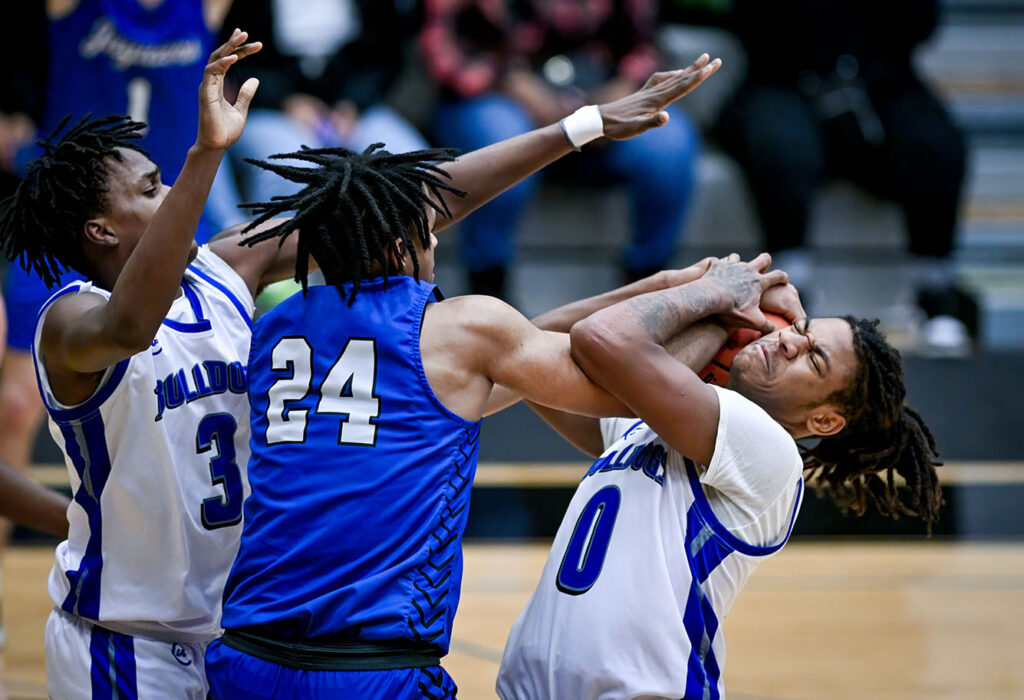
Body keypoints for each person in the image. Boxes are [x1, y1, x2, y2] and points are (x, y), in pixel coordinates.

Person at [204, 57, 723, 699]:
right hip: (373, 672)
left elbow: (504, 358)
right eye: (429, 231)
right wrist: (713, 307)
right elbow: (624, 391)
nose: (439, 243)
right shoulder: (460, 331)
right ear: (400, 247)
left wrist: (662, 287)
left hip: (245, 659)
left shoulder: (277, 325)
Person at [495, 256, 942, 699]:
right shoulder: (648, 422)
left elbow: (603, 338)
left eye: (814, 358)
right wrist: (680, 281)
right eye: (800, 331)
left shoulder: (768, 449)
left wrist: (717, 299)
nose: (788, 342)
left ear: (824, 422)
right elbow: (528, 347)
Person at [0, 29, 264, 698]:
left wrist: (573, 126)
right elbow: (130, 325)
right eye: (151, 188)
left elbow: (382, 208)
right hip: (123, 647)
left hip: (231, 635)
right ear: (101, 231)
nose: (170, 190)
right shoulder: (67, 321)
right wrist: (207, 154)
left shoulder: (219, 276)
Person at [716, 0, 974, 355]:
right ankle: (791, 288)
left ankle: (935, 287)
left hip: (880, 78)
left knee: (934, 144)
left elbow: (921, 23)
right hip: (781, 75)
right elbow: (749, 22)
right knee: (781, 146)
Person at [420, 0, 701, 298]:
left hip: (601, 95)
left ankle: (647, 286)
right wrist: (514, 83)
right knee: (500, 133)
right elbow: (445, 51)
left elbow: (646, 43)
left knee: (669, 141)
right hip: (499, 96)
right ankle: (488, 289)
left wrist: (624, 90)